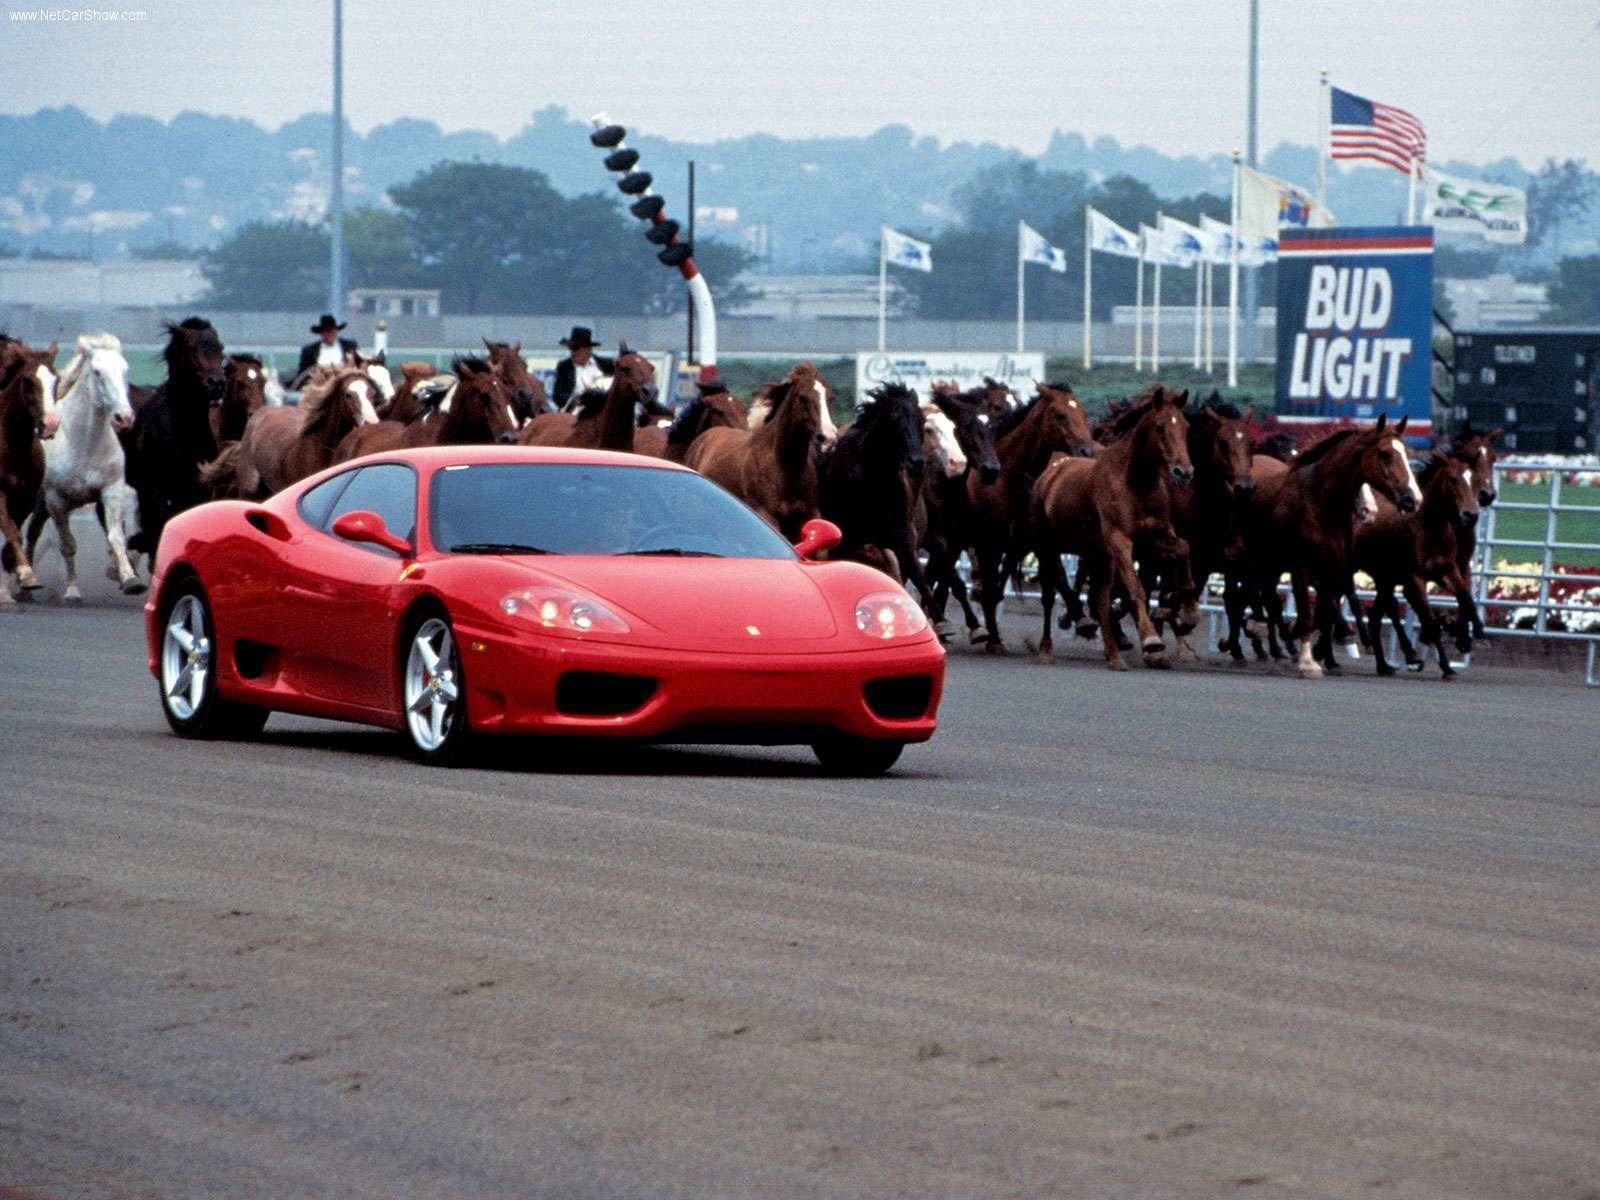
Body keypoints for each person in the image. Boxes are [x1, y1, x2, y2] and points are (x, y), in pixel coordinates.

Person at [552, 326, 615, 410]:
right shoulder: (564, 367)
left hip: (604, 410)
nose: (573, 352)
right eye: (571, 348)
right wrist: (575, 401)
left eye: (576, 348)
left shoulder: (607, 365)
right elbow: (558, 396)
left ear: (588, 349)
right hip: (575, 411)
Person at [292, 315, 358, 388]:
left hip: (344, 385)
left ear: (336, 331)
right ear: (321, 333)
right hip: (319, 386)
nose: (330, 334)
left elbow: (357, 366)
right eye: (327, 331)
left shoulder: (349, 346)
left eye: (332, 331)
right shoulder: (309, 351)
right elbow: (303, 373)